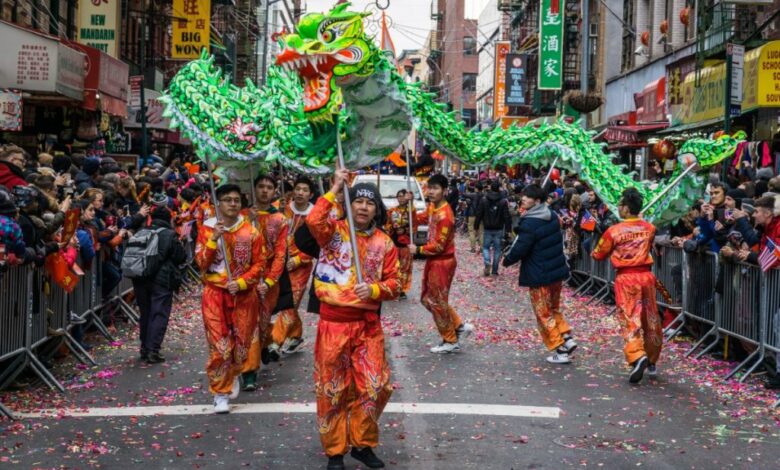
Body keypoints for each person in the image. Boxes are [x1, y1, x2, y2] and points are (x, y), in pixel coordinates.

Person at [306, 169, 399, 470]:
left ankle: (361, 442)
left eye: (369, 203)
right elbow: (312, 221)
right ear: (349, 205)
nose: (362, 206)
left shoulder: (385, 243)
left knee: (377, 386)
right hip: (333, 324)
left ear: (377, 209)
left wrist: (373, 289)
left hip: (367, 326)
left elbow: (396, 285)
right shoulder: (332, 232)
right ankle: (335, 451)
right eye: (357, 200)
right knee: (333, 388)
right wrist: (335, 187)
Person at [195, 184, 267, 414]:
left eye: (236, 200)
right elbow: (200, 263)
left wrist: (243, 282)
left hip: (243, 297)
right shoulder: (207, 229)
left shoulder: (251, 232)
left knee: (241, 346)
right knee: (220, 346)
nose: (233, 204)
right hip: (215, 294)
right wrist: (213, 239)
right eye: (227, 200)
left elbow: (260, 263)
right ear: (218, 204)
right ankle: (220, 392)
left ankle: (234, 372)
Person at [592, 187, 661, 384]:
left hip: (626, 278)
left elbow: (598, 254)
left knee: (629, 317)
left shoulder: (613, 231)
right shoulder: (650, 228)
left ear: (625, 208)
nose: (618, 208)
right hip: (646, 276)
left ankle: (637, 355)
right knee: (651, 317)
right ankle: (652, 358)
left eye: (620, 205)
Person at [502, 184, 575, 364]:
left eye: (528, 197)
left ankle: (560, 349)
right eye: (524, 196)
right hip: (556, 271)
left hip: (539, 273)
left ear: (538, 201)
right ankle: (566, 337)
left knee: (543, 313)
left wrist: (507, 260)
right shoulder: (551, 216)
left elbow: (521, 247)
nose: (523, 199)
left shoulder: (530, 222)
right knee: (553, 308)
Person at [413, 174, 474, 354]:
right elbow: (421, 218)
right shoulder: (433, 206)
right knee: (427, 299)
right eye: (429, 187)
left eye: (435, 188)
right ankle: (458, 325)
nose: (431, 191)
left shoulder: (446, 215)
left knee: (437, 302)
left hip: (442, 262)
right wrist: (408, 206)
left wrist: (418, 250)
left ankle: (450, 339)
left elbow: (439, 246)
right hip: (434, 262)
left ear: (445, 191)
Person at [240, 174, 288, 391]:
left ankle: (265, 345)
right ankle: (249, 371)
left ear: (275, 191)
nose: (265, 191)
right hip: (244, 280)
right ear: (253, 189)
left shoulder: (280, 219)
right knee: (248, 325)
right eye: (261, 186)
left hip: (267, 282)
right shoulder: (240, 215)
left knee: (261, 322)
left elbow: (280, 254)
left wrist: (269, 281)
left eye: (269, 187)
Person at [132, 206, 187, 363]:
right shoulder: (169, 234)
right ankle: (153, 350)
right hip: (161, 279)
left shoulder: (141, 231)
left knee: (146, 313)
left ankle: (144, 347)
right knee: (159, 313)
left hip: (140, 278)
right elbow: (180, 257)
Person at [269, 175, 315, 356]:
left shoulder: (314, 216)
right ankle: (295, 335)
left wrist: (298, 259)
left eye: (304, 190)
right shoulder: (283, 210)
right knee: (285, 303)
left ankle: (274, 341)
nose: (300, 193)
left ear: (310, 194)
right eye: (298, 189)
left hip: (301, 267)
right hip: (280, 263)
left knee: (289, 303)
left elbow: (317, 244)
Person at [474, 180, 512, 276]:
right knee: (497, 249)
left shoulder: (484, 200)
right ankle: (495, 270)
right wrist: (508, 230)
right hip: (499, 228)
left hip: (487, 227)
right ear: (499, 188)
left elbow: (478, 214)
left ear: (491, 188)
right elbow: (507, 216)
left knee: (486, 247)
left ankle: (487, 262)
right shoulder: (503, 201)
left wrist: (476, 227)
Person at [385, 189, 414, 299]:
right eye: (399, 196)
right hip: (394, 243)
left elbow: (415, 223)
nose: (401, 198)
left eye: (403, 196)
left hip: (406, 244)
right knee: (393, 267)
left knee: (405, 268)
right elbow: (387, 225)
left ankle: (402, 290)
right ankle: (392, 288)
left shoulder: (411, 211)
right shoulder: (392, 211)